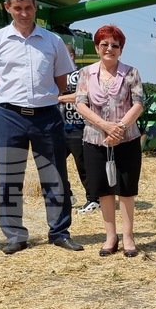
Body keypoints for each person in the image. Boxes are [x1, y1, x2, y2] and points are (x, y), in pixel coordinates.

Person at [0, 0, 83, 254]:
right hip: (8, 115)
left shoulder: (52, 41)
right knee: (10, 176)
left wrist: (40, 101)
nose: (24, 13)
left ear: (36, 8)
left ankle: (59, 232)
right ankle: (14, 235)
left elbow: (60, 82)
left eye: (28, 8)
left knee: (55, 175)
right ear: (7, 8)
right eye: (18, 8)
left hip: (46, 115)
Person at [74, 26, 145, 257]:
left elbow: (138, 104)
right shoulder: (86, 74)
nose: (109, 49)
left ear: (121, 49)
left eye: (115, 45)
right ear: (97, 47)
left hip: (127, 140)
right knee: (103, 190)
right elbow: (81, 103)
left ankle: (129, 237)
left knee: (125, 189)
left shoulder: (131, 73)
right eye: (104, 44)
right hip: (95, 140)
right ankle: (110, 237)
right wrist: (105, 127)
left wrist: (120, 127)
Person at [58, 45, 100, 214]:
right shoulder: (56, 75)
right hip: (59, 126)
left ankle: (93, 199)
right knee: (54, 163)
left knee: (83, 165)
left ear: (72, 56)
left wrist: (59, 98)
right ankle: (67, 194)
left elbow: (82, 95)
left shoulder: (80, 74)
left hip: (78, 126)